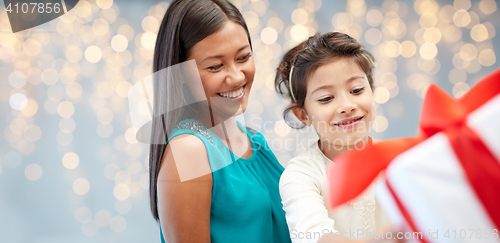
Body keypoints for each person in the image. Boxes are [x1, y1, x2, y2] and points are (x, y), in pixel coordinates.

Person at [148, 0, 292, 242]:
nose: (236, 77)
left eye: (244, 57)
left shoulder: (254, 139)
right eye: (215, 66)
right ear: (180, 73)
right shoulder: (189, 150)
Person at [275, 32, 392, 242]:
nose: (347, 106)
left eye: (356, 90)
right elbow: (317, 237)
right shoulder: (302, 175)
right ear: (303, 115)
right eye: (326, 98)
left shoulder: (397, 158)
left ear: (372, 91)